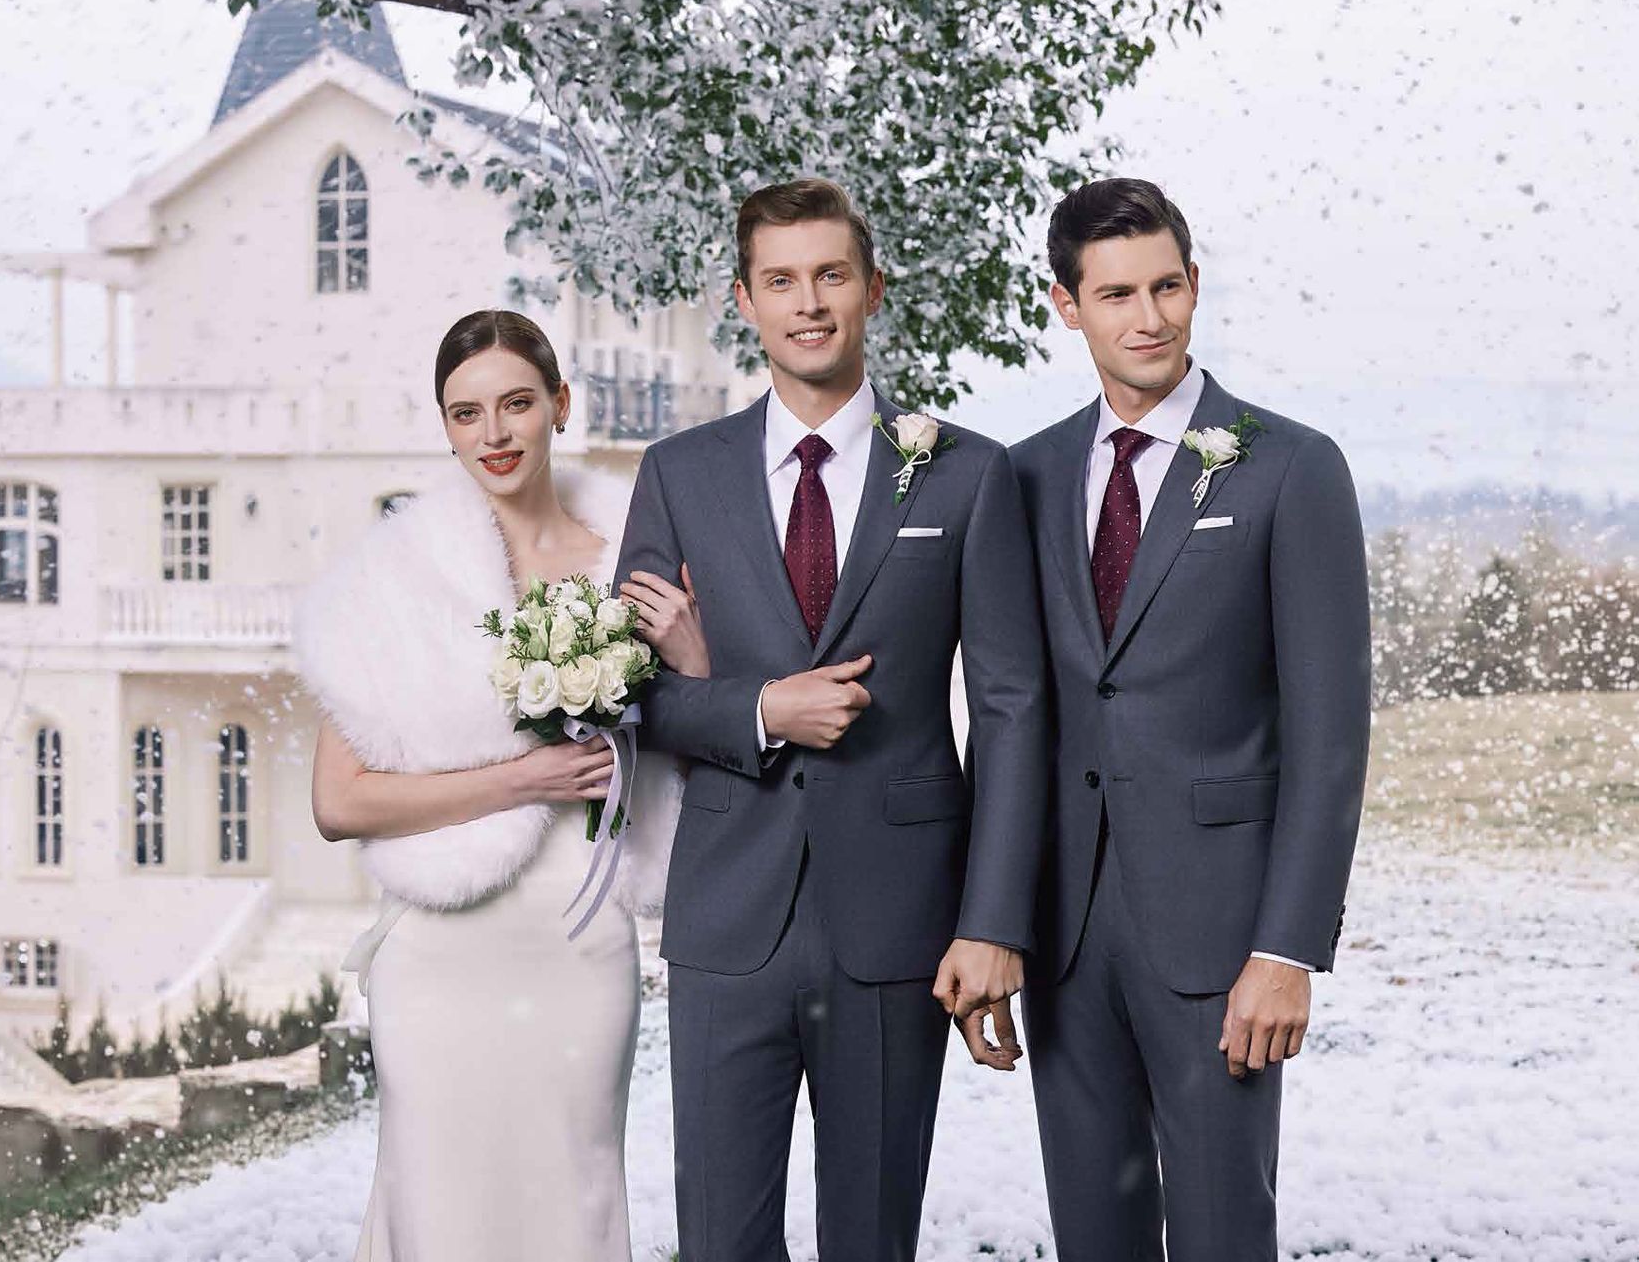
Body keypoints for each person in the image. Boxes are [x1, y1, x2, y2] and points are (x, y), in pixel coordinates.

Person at [612, 178, 1050, 1262]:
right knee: (721, 1240)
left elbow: (1011, 709)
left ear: (871, 290)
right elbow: (625, 698)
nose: (808, 302)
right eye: (781, 280)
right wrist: (760, 707)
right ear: (743, 300)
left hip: (900, 924)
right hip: (727, 920)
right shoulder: (679, 476)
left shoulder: (966, 476)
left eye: (831, 275)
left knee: (875, 1240)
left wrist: (992, 922)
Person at [1001, 177, 1372, 1260]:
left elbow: (1331, 732)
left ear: (1195, 286)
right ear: (1068, 306)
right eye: (1116, 294)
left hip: (1221, 935)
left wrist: (1287, 946)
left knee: (1219, 1229)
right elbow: (1008, 709)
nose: (1149, 317)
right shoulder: (1022, 478)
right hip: (1064, 933)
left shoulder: (1291, 467)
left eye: (1168, 286)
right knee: (1093, 1235)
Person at [292, 309, 705, 1261]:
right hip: (441, 949)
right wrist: (523, 779)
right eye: (466, 412)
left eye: (517, 404)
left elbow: (700, 729)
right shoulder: (394, 577)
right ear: (443, 426)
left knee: (572, 1180)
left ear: (561, 404)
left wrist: (692, 651)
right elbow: (340, 802)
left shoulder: (633, 562)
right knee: (439, 1197)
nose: (495, 434)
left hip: (581, 929)